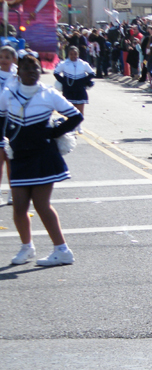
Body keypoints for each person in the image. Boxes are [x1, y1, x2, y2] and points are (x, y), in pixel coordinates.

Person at [3, 55, 82, 266]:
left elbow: (75, 117)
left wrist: (53, 132)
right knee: (19, 208)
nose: (31, 71)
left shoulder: (48, 94)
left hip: (43, 155)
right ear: (18, 72)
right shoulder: (8, 94)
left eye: (35, 67)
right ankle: (26, 247)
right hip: (19, 156)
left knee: (41, 204)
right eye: (26, 68)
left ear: (40, 71)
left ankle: (62, 250)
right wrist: (7, 138)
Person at [53, 46, 95, 135]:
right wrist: (64, 81)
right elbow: (56, 73)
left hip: (80, 89)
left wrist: (84, 81)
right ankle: (71, 127)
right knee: (70, 109)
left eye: (75, 54)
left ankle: (79, 126)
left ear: (78, 54)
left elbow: (92, 73)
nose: (73, 56)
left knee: (80, 109)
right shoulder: (64, 63)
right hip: (69, 89)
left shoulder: (83, 64)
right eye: (71, 54)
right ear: (68, 54)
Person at [0, 45, 17, 203]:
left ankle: (13, 193)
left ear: (14, 59)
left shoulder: (18, 75)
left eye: (7, 57)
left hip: (13, 120)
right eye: (1, 57)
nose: (3, 60)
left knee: (12, 158)